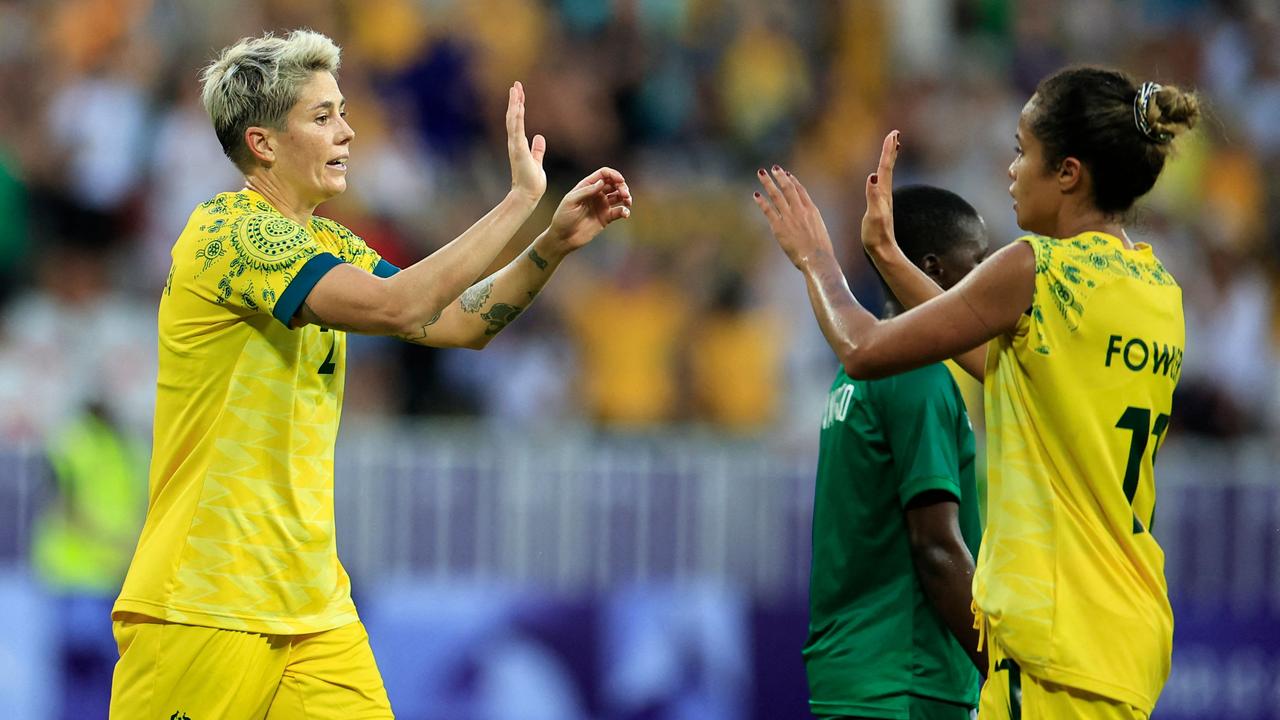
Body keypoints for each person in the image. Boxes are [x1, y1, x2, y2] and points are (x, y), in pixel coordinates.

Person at [110, 29, 632, 719]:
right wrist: (515, 204)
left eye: (344, 112)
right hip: (206, 601)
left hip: (313, 608)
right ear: (263, 143)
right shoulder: (228, 233)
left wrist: (553, 243)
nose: (348, 132)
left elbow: (457, 322)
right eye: (322, 117)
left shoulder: (326, 242)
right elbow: (402, 304)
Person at [754, 66, 1197, 719]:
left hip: (1052, 636)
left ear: (1068, 173)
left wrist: (817, 258)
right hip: (1126, 632)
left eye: (1023, 151)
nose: (1011, 168)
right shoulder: (1158, 291)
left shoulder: (1035, 269)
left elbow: (864, 348)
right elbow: (999, 359)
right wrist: (893, 258)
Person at [803, 185, 988, 720]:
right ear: (934, 267)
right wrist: (1004, 667)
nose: (986, 274)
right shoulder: (920, 376)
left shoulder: (855, 375)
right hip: (909, 680)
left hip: (852, 675)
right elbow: (935, 547)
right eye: (976, 260)